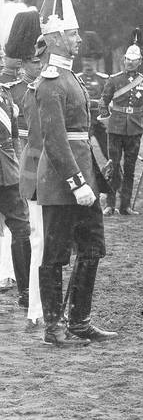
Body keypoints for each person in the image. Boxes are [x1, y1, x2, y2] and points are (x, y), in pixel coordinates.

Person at [36, 0, 117, 346]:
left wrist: (93, 180)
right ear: (54, 38)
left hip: (83, 180)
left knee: (92, 249)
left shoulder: (69, 76)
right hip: (61, 183)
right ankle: (54, 326)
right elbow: (55, 143)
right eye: (72, 34)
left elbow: (81, 137)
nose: (79, 40)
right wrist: (76, 183)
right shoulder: (51, 81)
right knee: (54, 255)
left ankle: (79, 320)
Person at [0, 10, 37, 311]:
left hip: (7, 173)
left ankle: (26, 292)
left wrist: (15, 166)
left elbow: (12, 138)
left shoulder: (5, 95)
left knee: (21, 230)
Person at [100, 29, 143, 216]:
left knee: (130, 169)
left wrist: (141, 118)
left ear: (139, 62)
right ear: (124, 60)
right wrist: (107, 121)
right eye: (127, 60)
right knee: (113, 166)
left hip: (134, 130)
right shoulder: (114, 80)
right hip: (115, 129)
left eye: (134, 60)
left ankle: (125, 206)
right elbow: (103, 102)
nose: (130, 63)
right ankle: (110, 204)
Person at [19, 35, 46, 325]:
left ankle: (39, 307)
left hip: (42, 172)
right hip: (37, 174)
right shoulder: (34, 91)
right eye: (35, 61)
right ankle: (36, 309)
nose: (39, 66)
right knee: (39, 242)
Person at [77, 31, 109, 160]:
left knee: (109, 152)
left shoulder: (104, 79)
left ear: (95, 61)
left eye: (90, 61)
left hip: (100, 122)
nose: (88, 64)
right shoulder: (77, 79)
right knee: (84, 155)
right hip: (84, 123)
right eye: (85, 61)